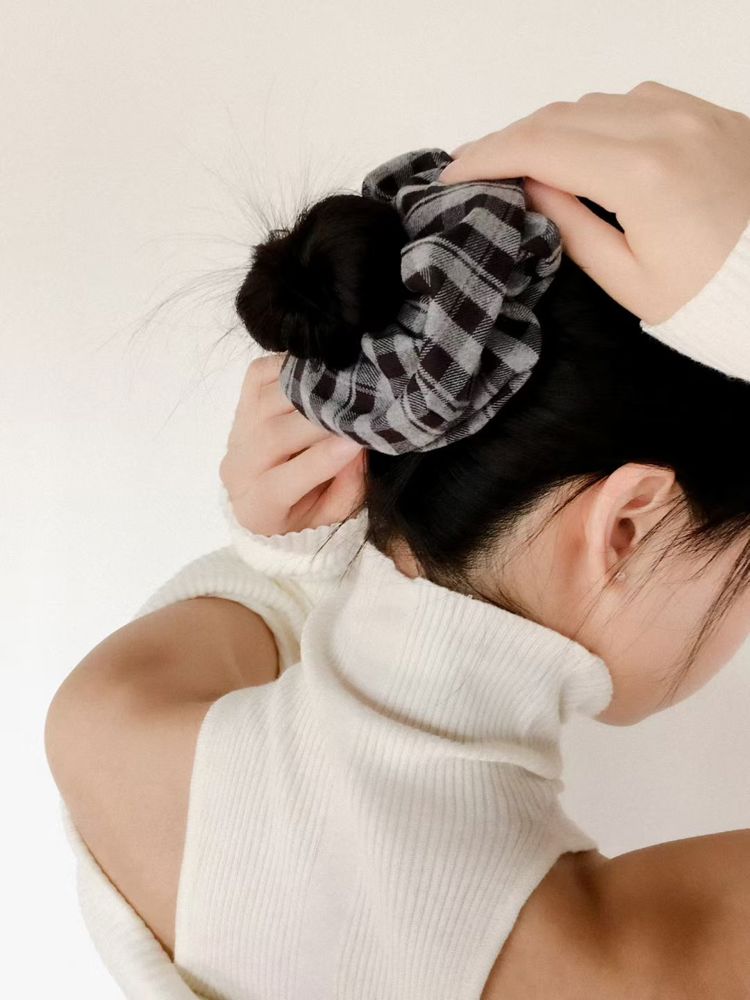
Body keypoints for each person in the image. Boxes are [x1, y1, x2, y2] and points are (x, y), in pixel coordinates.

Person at [45, 81, 750, 999]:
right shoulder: (668, 960)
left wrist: (289, 559)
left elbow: (271, 598)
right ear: (627, 523)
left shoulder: (111, 719)